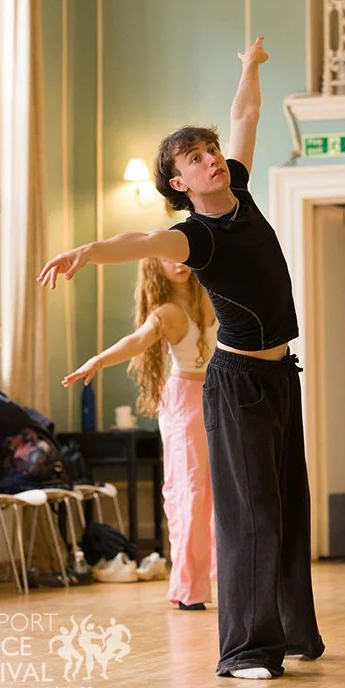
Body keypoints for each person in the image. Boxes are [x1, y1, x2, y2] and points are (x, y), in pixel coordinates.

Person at [38, 36, 324, 680]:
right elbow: (138, 240)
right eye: (196, 158)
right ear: (179, 182)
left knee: (287, 505)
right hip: (238, 382)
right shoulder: (194, 236)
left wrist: (250, 67)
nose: (212, 159)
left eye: (211, 150)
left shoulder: (239, 190)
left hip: (280, 375)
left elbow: (245, 115)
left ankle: (291, 632)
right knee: (250, 514)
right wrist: (86, 251)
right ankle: (245, 651)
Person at [62, 257, 218, 610]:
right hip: (184, 402)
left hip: (219, 396)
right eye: (168, 257)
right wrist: (98, 361)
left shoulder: (210, 294)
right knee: (190, 491)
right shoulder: (165, 313)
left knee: (222, 490)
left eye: (181, 254)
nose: (178, 263)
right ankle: (189, 588)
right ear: (155, 266)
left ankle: (224, 577)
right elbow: (136, 341)